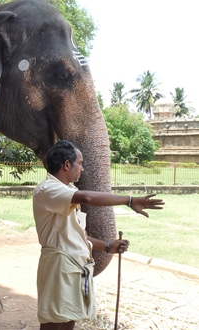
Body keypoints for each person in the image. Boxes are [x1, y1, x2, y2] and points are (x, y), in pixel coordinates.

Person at [33, 140, 165, 330]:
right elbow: (87, 198)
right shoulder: (48, 190)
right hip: (59, 266)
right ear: (67, 165)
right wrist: (129, 200)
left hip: (74, 266)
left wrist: (108, 246)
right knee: (54, 320)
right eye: (80, 163)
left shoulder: (67, 191)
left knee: (69, 317)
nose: (83, 169)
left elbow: (76, 236)